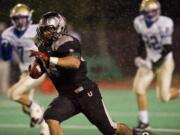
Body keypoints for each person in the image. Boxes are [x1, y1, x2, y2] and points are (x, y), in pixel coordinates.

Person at [29, 11, 133, 135]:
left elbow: (74, 63)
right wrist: (35, 69)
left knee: (110, 129)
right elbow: (39, 70)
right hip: (67, 96)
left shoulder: (67, 41)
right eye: (43, 30)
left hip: (85, 93)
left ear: (59, 28)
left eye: (49, 29)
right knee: (51, 117)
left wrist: (48, 59)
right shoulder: (43, 46)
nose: (45, 33)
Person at [1, 3, 49, 135]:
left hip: (37, 70)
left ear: (29, 18)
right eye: (18, 18)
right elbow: (5, 58)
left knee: (13, 94)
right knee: (25, 108)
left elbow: (50, 47)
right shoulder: (8, 34)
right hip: (24, 73)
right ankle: (45, 125)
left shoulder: (37, 30)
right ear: (13, 19)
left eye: (23, 18)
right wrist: (5, 47)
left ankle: (36, 107)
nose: (20, 21)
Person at [133, 0, 180, 131]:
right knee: (139, 88)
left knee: (164, 97)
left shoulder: (165, 23)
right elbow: (142, 40)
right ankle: (144, 123)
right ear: (143, 12)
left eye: (154, 11)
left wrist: (152, 62)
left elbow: (167, 49)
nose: (152, 14)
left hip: (165, 62)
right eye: (149, 11)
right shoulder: (139, 22)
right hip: (149, 60)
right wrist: (139, 56)